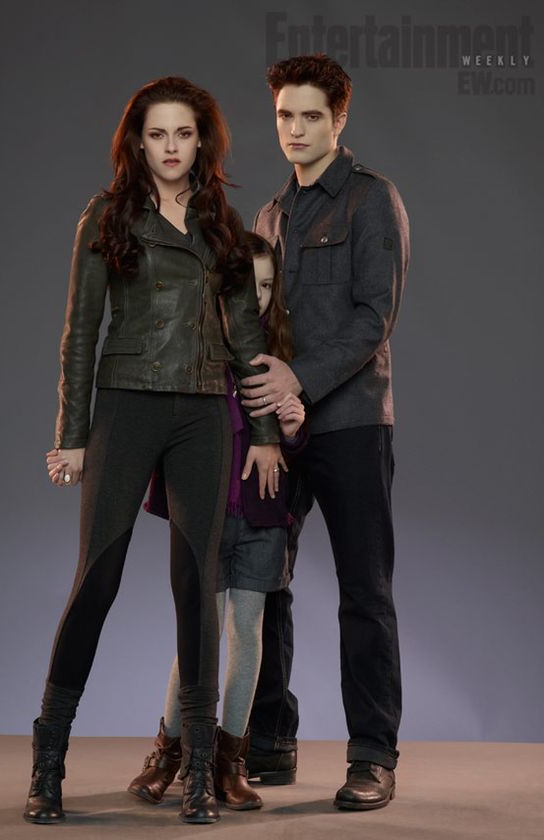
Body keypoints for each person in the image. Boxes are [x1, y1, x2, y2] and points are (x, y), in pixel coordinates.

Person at [23, 76, 282, 827]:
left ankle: (198, 771)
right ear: (138, 142)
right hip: (127, 404)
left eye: (185, 134)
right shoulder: (108, 215)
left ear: (204, 142)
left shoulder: (221, 223)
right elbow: (80, 331)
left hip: (203, 413)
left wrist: (266, 435)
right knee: (97, 578)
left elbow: (247, 336)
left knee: (197, 586)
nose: (172, 147)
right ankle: (48, 763)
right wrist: (72, 434)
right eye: (158, 134)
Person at [239, 54, 410, 811]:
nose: (296, 129)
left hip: (349, 423)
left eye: (312, 116)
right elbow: (252, 321)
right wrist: (264, 412)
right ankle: (271, 738)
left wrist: (299, 382)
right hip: (276, 432)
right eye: (285, 115)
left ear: (340, 119)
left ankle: (373, 755)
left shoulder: (372, 199)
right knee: (262, 580)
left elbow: (375, 316)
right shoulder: (269, 215)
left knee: (363, 590)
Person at [127, 232, 307, 812]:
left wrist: (293, 428)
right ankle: (171, 753)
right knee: (198, 635)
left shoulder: (278, 359)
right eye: (245, 285)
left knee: (247, 634)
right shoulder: (195, 351)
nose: (256, 297)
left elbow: (295, 446)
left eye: (266, 285)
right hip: (206, 518)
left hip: (263, 518)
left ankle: (230, 761)